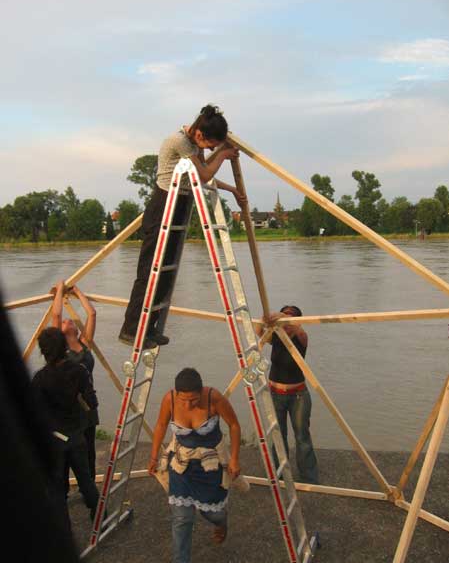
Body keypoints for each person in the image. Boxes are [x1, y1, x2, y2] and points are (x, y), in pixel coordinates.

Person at [119, 104, 246, 349]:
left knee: (165, 275)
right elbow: (205, 175)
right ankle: (130, 329)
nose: (209, 150)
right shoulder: (179, 142)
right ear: (200, 135)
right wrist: (222, 154)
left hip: (178, 207)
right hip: (162, 207)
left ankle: (150, 327)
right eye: (210, 145)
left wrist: (233, 190)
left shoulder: (193, 146)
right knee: (148, 274)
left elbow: (200, 174)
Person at [0, 289, 83, 563]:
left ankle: (74, 512)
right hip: (79, 425)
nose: (66, 322)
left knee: (58, 483)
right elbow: (83, 315)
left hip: (64, 430)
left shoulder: (47, 375)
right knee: (81, 466)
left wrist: (60, 290)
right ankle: (96, 506)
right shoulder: (80, 357)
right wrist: (71, 293)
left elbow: (58, 316)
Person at [148, 368, 242, 563]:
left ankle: (221, 522)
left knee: (213, 514)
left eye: (193, 400)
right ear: (176, 393)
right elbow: (161, 425)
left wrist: (234, 458)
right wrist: (154, 455)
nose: (188, 404)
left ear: (201, 391)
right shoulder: (169, 400)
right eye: (184, 400)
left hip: (210, 467)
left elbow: (234, 425)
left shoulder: (214, 397)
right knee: (181, 518)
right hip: (181, 466)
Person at [32, 327, 100, 526]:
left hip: (54, 440)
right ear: (64, 347)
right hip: (76, 435)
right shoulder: (79, 371)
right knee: (86, 480)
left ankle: (65, 532)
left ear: (44, 351)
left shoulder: (40, 379)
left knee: (57, 489)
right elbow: (92, 403)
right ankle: (99, 518)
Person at [257, 305, 319, 484]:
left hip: (298, 395)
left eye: (290, 320)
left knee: (302, 436)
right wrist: (266, 318)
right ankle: (280, 473)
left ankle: (309, 477)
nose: (286, 325)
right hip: (276, 394)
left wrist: (284, 316)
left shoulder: (301, 337)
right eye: (284, 321)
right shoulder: (275, 337)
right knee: (278, 435)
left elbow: (300, 330)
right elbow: (258, 331)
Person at [52, 280, 99, 481]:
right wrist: (61, 289)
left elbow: (92, 313)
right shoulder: (59, 349)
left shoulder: (85, 342)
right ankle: (63, 488)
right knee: (67, 449)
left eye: (70, 320)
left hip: (88, 403)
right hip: (69, 405)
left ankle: (88, 486)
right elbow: (56, 314)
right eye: (65, 322)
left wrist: (77, 290)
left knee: (89, 448)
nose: (68, 321)